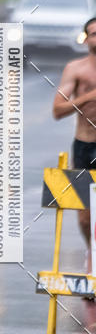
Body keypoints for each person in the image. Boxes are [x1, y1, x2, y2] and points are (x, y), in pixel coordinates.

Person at [53, 16, 96, 270]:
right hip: (84, 146)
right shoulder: (76, 69)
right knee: (84, 216)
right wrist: (87, 97)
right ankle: (91, 252)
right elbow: (57, 110)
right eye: (93, 33)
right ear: (86, 39)